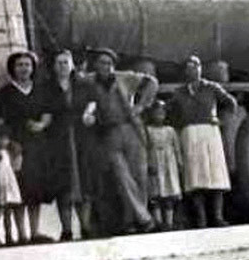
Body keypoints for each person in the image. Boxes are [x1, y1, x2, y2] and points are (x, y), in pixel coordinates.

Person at [80, 47, 157, 236]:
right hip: (109, 132)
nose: (105, 66)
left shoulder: (125, 77)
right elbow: (78, 85)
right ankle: (144, 218)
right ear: (95, 65)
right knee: (122, 176)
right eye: (101, 63)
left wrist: (141, 106)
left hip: (130, 128)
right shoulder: (89, 80)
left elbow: (152, 82)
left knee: (138, 175)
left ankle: (133, 221)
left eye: (109, 63)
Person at [169, 55, 239, 227]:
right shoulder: (179, 93)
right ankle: (201, 219)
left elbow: (231, 103)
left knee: (216, 175)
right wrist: (179, 126)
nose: (193, 70)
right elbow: (171, 111)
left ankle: (217, 217)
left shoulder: (211, 87)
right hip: (189, 134)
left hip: (210, 132)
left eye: (196, 66)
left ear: (201, 68)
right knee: (195, 178)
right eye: (189, 67)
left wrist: (222, 121)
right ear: (185, 71)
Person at [0, 51, 54, 243]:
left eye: (27, 65)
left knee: (36, 188)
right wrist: (8, 142)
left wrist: (41, 125)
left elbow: (47, 112)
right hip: (17, 145)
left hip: (37, 143)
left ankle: (35, 231)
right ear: (13, 68)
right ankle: (21, 233)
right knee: (19, 189)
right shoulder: (5, 93)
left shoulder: (40, 90)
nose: (23, 68)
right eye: (19, 65)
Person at [44, 49, 96, 241]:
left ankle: (86, 226)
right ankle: (66, 229)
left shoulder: (83, 84)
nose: (62, 66)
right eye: (59, 63)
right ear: (53, 66)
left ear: (72, 65)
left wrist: (89, 113)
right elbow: (45, 111)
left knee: (85, 181)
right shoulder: (47, 88)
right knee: (63, 184)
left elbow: (93, 102)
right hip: (58, 138)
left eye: (66, 62)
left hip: (81, 136)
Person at [144, 100, 183, 231]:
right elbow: (145, 148)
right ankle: (158, 222)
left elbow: (176, 147)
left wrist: (179, 162)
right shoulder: (148, 130)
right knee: (156, 193)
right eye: (156, 113)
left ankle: (169, 222)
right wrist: (148, 163)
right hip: (155, 161)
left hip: (168, 163)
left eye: (161, 113)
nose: (159, 116)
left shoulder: (170, 130)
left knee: (169, 192)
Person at [0, 134, 23, 246]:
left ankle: (8, 235)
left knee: (7, 212)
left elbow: (13, 168)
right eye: (2, 139)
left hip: (8, 184)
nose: (4, 141)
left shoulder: (8, 153)